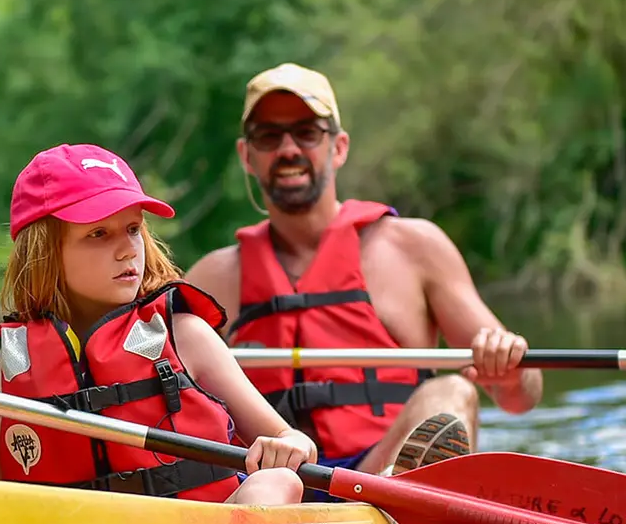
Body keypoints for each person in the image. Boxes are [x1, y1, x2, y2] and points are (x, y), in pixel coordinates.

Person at [0, 143, 317, 506]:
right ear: (45, 252)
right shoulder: (19, 359)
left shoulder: (184, 335)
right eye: (98, 234)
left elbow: (290, 441)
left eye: (132, 229)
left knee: (275, 482)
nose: (128, 250)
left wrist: (288, 445)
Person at [182, 63, 544, 479]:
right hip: (272, 486)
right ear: (247, 156)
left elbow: (522, 398)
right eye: (268, 136)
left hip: (379, 477)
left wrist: (510, 372)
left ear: (338, 147)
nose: (288, 150)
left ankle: (410, 500)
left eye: (307, 132)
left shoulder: (413, 248)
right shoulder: (213, 279)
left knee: (452, 391)